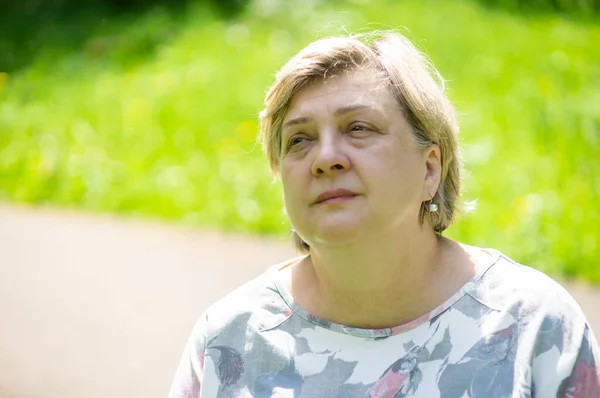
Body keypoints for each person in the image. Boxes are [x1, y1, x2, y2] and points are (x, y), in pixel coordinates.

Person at [169, 31, 600, 397]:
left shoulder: (534, 327)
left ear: (430, 169)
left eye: (359, 128)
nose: (325, 158)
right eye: (299, 140)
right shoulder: (230, 341)